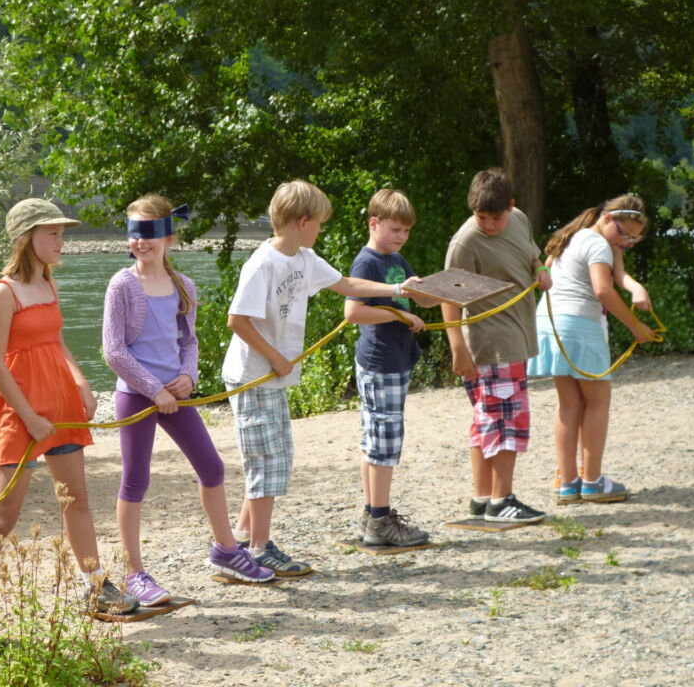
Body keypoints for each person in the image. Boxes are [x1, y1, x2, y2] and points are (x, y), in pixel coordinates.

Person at [222, 180, 415, 575]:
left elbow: (346, 285)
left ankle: (243, 535)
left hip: (273, 375)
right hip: (252, 376)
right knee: (268, 459)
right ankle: (258, 549)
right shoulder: (263, 263)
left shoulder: (303, 258)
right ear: (303, 221)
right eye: (319, 223)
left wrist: (397, 288)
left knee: (275, 456)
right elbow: (236, 320)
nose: (321, 230)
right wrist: (275, 356)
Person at [0, 198, 138, 619]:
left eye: (62, 233)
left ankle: (94, 586)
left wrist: (81, 384)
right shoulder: (3, 292)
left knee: (75, 499)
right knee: (4, 517)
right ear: (26, 238)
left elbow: (57, 343)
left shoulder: (49, 283)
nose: (61, 241)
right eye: (52, 233)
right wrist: (29, 417)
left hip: (58, 406)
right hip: (21, 414)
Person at [103, 196, 273, 601]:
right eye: (134, 233)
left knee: (212, 467)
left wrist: (187, 375)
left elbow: (189, 341)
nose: (141, 242)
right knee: (135, 479)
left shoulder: (184, 286)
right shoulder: (121, 285)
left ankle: (226, 550)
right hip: (137, 396)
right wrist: (154, 389)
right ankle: (134, 574)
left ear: (169, 237)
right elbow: (114, 351)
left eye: (149, 233)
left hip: (173, 396)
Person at [527, 195, 655, 505]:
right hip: (580, 326)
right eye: (625, 234)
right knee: (597, 402)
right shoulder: (599, 244)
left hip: (550, 321)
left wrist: (636, 287)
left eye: (635, 240)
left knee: (569, 404)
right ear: (609, 219)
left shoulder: (575, 237)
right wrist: (635, 327)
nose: (627, 243)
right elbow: (602, 288)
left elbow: (616, 273)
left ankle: (568, 483)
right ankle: (593, 481)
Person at [441, 169, 550, 524]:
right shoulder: (465, 242)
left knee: (486, 418)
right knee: (506, 419)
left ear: (511, 207)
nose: (488, 224)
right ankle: (502, 501)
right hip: (491, 342)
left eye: (495, 217)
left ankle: (483, 499)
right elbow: (448, 296)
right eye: (480, 217)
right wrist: (458, 347)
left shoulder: (518, 220)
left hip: (516, 335)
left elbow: (531, 253)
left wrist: (539, 267)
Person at [342, 189, 431, 547]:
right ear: (374, 223)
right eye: (395, 229)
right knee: (384, 441)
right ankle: (380, 519)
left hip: (394, 359)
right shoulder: (367, 262)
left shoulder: (396, 258)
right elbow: (353, 312)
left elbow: (418, 295)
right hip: (381, 362)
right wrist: (400, 312)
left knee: (376, 438)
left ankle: (371, 516)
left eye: (406, 231)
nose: (401, 237)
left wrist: (435, 292)